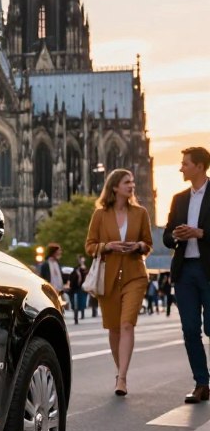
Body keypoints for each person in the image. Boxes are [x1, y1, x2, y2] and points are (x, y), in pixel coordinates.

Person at [86, 169, 153, 396]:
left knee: (127, 325)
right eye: (127, 182)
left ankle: (122, 378)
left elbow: (148, 243)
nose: (132, 185)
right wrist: (108, 246)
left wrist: (139, 247)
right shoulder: (100, 215)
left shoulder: (140, 212)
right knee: (114, 328)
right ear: (115, 187)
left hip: (135, 275)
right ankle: (119, 371)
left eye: (133, 181)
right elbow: (90, 246)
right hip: (109, 278)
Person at [162, 146, 210, 404]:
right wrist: (175, 236)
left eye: (185, 164)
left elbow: (203, 232)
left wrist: (200, 233)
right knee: (190, 329)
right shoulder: (179, 198)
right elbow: (167, 234)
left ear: (200, 166)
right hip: (185, 271)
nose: (181, 168)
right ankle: (202, 383)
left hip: (208, 269)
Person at [68, 256, 87, 324]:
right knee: (75, 304)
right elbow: (71, 279)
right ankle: (76, 317)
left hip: (81, 289)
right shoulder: (75, 270)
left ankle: (81, 314)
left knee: (82, 302)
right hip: (74, 289)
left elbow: (85, 276)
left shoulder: (83, 269)